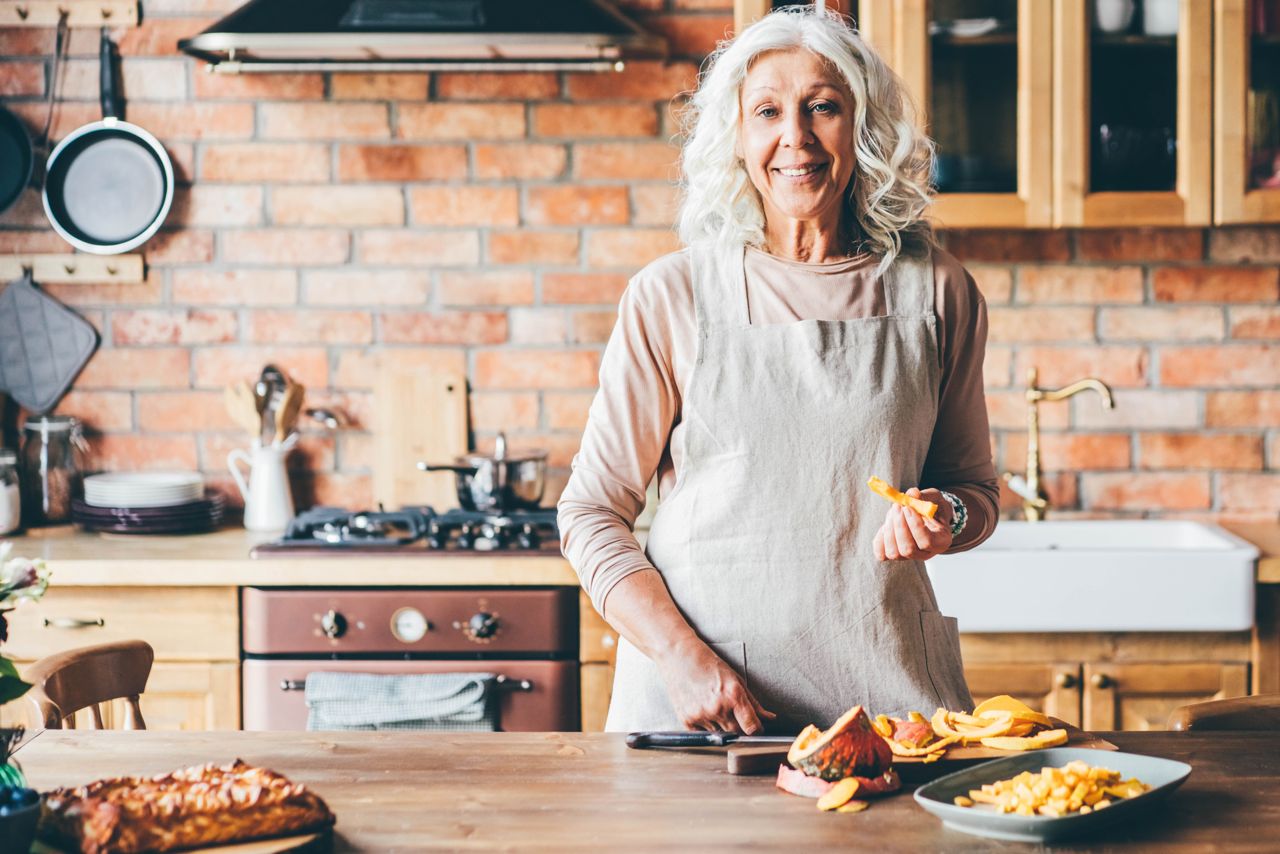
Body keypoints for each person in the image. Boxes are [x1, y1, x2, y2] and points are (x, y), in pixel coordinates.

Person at [558, 5, 999, 735]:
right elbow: (590, 513)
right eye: (767, 111)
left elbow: (974, 492)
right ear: (737, 137)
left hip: (888, 701)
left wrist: (944, 518)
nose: (795, 138)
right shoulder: (673, 295)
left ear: (862, 126)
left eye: (821, 107)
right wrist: (679, 657)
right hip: (704, 711)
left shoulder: (937, 291)